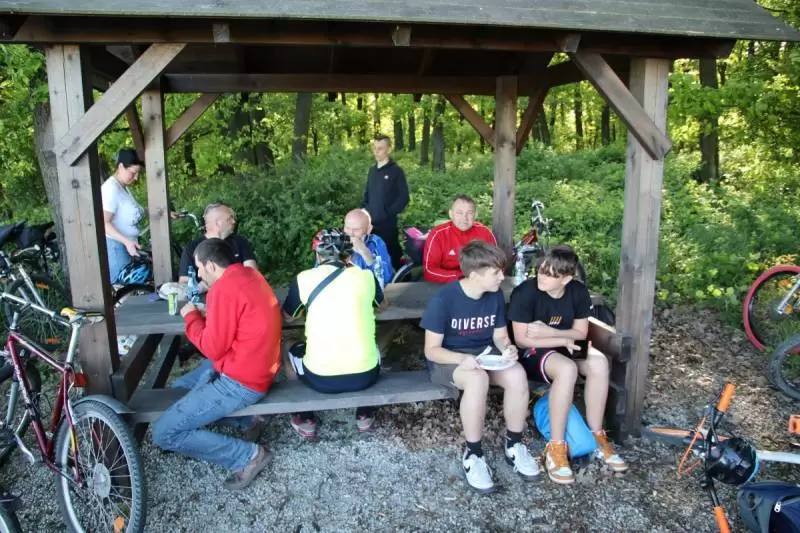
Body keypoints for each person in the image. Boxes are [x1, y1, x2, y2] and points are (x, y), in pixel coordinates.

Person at [151, 238, 281, 490]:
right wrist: (209, 315)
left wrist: (191, 317)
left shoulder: (223, 288)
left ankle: (248, 456)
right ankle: (248, 421)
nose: (199, 274)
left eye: (199, 267)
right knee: (178, 389)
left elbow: (211, 348)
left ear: (211, 265)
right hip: (257, 368)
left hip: (241, 382)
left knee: (164, 433)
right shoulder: (250, 275)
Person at [420, 240, 540, 494]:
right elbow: (431, 350)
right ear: (474, 275)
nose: (502, 277)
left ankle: (514, 444)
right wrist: (461, 359)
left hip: (484, 355)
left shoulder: (494, 295)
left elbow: (499, 335)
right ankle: (473, 454)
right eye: (496, 272)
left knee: (517, 374)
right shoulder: (444, 299)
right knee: (477, 379)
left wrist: (507, 347)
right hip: (449, 359)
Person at [508, 244, 628, 485]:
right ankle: (557, 446)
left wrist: (550, 331)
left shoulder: (577, 291)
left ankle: (597, 437)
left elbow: (580, 333)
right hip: (535, 350)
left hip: (563, 342)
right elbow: (522, 339)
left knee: (598, 363)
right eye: (542, 269)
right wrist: (563, 338)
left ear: (566, 279)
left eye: (550, 274)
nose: (542, 276)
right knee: (567, 369)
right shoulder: (525, 292)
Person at [282, 228, 385, 440]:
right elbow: (382, 305)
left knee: (288, 344)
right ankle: (364, 414)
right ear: (349, 254)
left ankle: (305, 417)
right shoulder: (365, 277)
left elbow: (288, 317)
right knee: (374, 345)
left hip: (320, 378)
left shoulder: (304, 278)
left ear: (318, 254)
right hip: (366, 376)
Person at [178, 202, 258, 287]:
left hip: (239, 292)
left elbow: (252, 273)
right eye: (230, 218)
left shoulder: (240, 241)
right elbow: (184, 284)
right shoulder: (191, 248)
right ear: (218, 223)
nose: (234, 221)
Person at [422, 194, 497, 283]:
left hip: (480, 283)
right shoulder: (438, 234)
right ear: (451, 214)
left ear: (475, 215)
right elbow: (429, 271)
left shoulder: (485, 233)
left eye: (469, 213)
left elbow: (497, 264)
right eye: (459, 212)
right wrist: (462, 278)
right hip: (447, 283)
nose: (464, 218)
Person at [360, 134, 409, 271]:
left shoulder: (396, 171)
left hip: (388, 224)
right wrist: (364, 211)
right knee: (374, 253)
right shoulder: (372, 170)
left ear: (389, 149)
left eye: (380, 148)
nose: (376, 152)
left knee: (392, 253)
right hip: (371, 224)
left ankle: (403, 276)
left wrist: (387, 214)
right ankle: (379, 277)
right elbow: (367, 194)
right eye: (375, 148)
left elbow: (404, 198)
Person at [102, 148, 146, 283]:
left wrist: (164, 213)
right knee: (124, 290)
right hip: (117, 248)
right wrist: (127, 242)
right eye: (133, 173)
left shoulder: (123, 187)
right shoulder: (111, 189)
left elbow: (134, 211)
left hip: (128, 246)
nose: (136, 177)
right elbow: (103, 223)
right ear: (120, 167)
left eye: (138, 173)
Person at [342, 208, 393, 288]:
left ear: (369, 229)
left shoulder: (376, 243)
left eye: (356, 229)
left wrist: (365, 252)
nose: (351, 234)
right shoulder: (336, 242)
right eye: (347, 228)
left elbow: (385, 278)